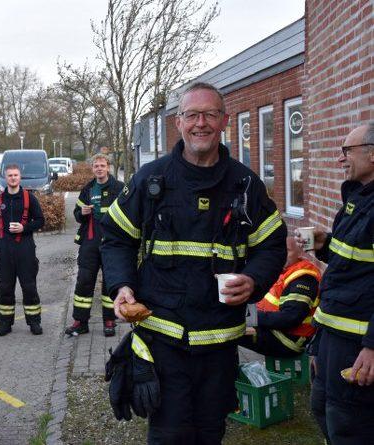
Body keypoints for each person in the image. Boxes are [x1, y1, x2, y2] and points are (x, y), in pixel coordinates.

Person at [101, 82, 287, 444]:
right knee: (169, 435)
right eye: (191, 115)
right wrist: (122, 287)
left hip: (219, 348)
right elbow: (117, 237)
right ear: (179, 122)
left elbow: (272, 245)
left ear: (224, 121)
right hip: (163, 344)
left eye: (210, 114)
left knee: (209, 434)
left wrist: (253, 279)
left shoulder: (246, 185)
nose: (200, 123)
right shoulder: (151, 180)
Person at [307, 123, 374, 444]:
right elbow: (353, 262)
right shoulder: (358, 199)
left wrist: (372, 346)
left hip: (358, 343)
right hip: (333, 336)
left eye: (347, 150)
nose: (341, 159)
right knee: (322, 408)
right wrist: (325, 244)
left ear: (372, 154)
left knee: (349, 425)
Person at [65, 153, 124, 337]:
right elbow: (76, 214)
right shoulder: (88, 189)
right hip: (90, 240)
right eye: (96, 166)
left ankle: (109, 321)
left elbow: (129, 212)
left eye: (102, 165)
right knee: (84, 280)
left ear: (108, 167)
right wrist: (81, 213)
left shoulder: (119, 188)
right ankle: (80, 321)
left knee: (110, 282)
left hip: (112, 241)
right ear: (92, 168)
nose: (99, 169)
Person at [0, 164, 45, 336]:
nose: (13, 178)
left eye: (16, 175)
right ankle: (5, 324)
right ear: (5, 178)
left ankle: (34, 322)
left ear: (20, 177)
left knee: (29, 287)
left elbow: (40, 221)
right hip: (5, 249)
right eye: (10, 175)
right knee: (5, 288)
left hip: (25, 249)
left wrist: (24, 228)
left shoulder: (30, 198)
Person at [240, 236, 320, 357]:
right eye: (279, 250)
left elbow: (290, 318)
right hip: (274, 330)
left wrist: (252, 318)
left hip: (288, 340)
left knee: (228, 331)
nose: (282, 255)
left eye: (287, 251)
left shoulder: (303, 278)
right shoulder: (285, 270)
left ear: (299, 253)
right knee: (225, 322)